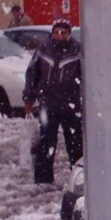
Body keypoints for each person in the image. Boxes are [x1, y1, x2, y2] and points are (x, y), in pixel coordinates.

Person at [22, 19, 83, 185]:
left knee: (75, 143)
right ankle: (43, 179)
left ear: (69, 34)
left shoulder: (78, 50)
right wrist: (28, 98)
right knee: (46, 141)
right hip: (48, 103)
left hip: (71, 104)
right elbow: (32, 74)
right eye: (56, 32)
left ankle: (79, 178)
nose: (59, 36)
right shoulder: (43, 50)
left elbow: (86, 77)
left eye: (63, 32)